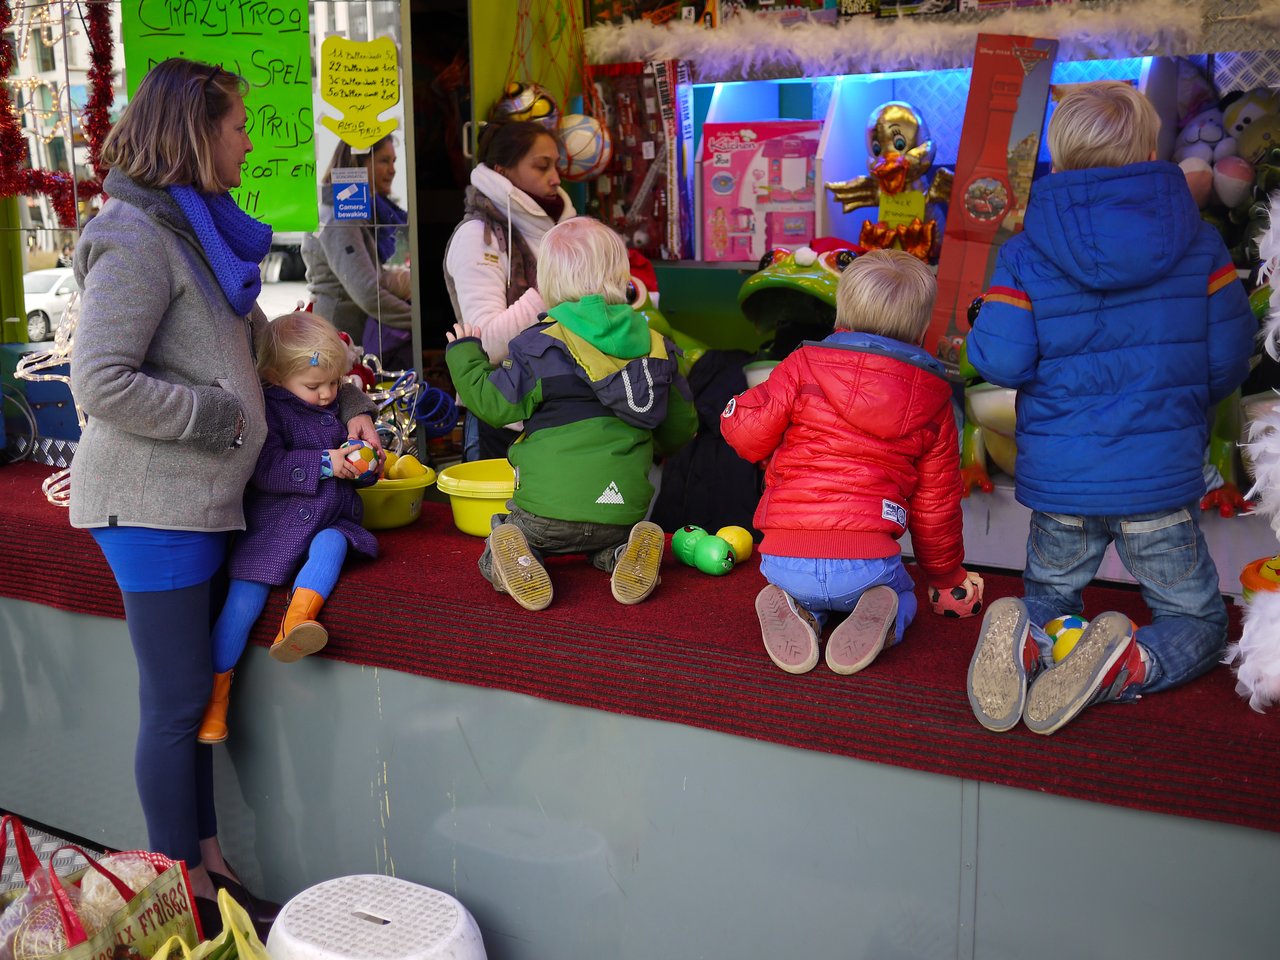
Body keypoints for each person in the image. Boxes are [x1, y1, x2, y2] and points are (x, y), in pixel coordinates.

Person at [68, 58, 379, 932]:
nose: (250, 139)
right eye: (239, 124)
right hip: (152, 507)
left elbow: (278, 354)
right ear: (196, 134)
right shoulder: (134, 235)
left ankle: (204, 857)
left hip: (200, 505)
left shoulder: (199, 234)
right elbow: (100, 383)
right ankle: (180, 894)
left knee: (193, 690)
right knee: (173, 708)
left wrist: (349, 403)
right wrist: (218, 420)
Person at [964, 81, 1257, 736]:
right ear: (1148, 146)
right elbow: (1228, 359)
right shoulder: (1200, 241)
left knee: (1050, 598)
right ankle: (1131, 663)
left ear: (1060, 158)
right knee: (1197, 621)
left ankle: (1032, 641)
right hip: (1157, 481)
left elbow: (1003, 363)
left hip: (1061, 482)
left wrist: (983, 318)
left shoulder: (1026, 248)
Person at [721, 249, 984, 676]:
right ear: (920, 330)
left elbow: (748, 437)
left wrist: (737, 413)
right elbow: (935, 506)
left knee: (802, 588)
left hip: (786, 555)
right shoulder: (934, 398)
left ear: (841, 312)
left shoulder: (800, 364)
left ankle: (798, 610)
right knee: (903, 593)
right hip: (868, 562)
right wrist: (946, 575)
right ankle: (886, 617)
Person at [444, 217, 696, 610]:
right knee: (609, 539)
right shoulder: (658, 345)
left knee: (505, 535)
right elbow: (681, 427)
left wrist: (465, 354)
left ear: (548, 284)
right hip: (623, 509)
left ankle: (522, 553)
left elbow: (494, 406)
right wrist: (650, 439)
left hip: (546, 511)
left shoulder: (539, 344)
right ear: (620, 275)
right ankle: (620, 553)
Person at [196, 311, 380, 744]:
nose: (327, 394)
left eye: (333, 383)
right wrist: (324, 464)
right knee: (242, 603)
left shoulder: (336, 401)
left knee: (334, 544)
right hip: (274, 529)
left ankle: (297, 621)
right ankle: (214, 698)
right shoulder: (268, 411)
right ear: (277, 377)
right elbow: (265, 469)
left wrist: (366, 465)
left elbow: (351, 443)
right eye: (314, 387)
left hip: (328, 518)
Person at [443, 119, 576, 461]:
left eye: (556, 165)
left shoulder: (557, 228)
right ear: (502, 172)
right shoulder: (479, 237)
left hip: (558, 409)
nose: (556, 178)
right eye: (541, 166)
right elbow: (484, 343)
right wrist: (556, 285)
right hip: (500, 418)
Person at [302, 136, 414, 371]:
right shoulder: (341, 214)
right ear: (359, 164)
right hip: (343, 343)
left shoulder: (345, 208)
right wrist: (416, 319)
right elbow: (366, 291)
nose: (392, 170)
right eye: (384, 161)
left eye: (394, 161)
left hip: (346, 336)